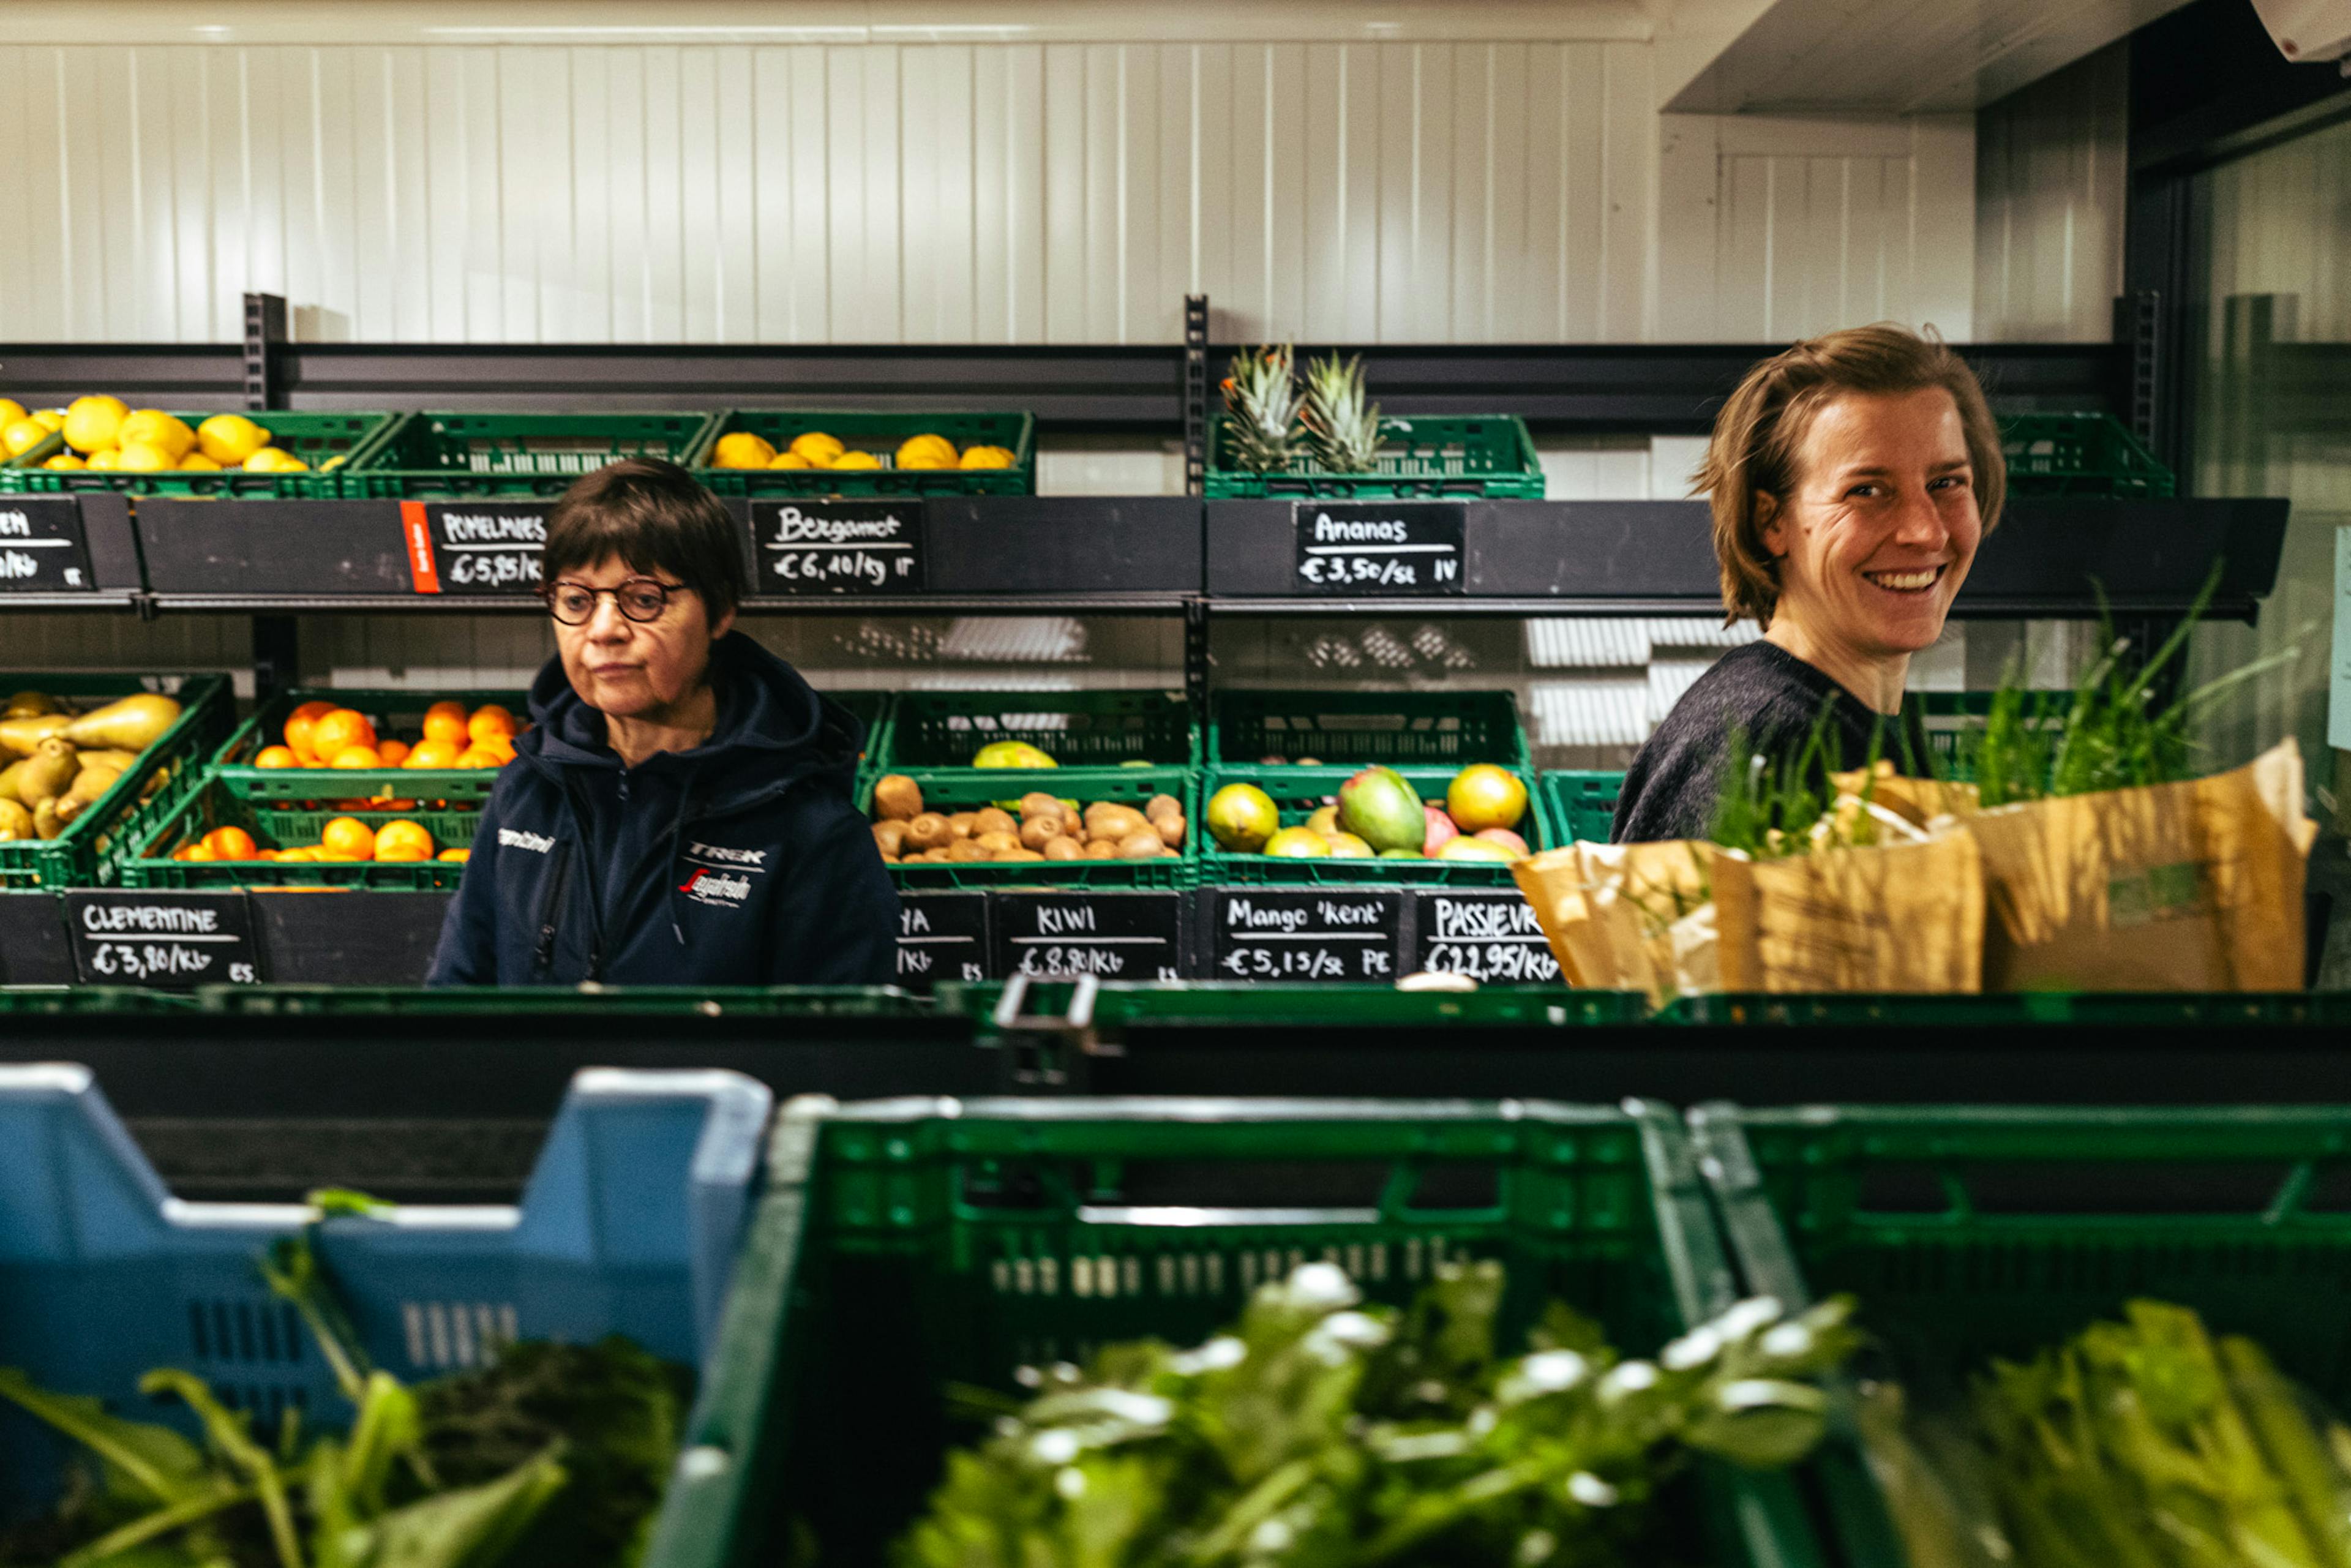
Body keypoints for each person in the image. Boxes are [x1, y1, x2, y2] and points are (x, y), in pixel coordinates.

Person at [427, 457, 898, 986]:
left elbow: (835, 1055)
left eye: (644, 599)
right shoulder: (527, 791)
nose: (603, 629)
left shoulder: (810, 829)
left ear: (720, 611)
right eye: (577, 600)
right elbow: (458, 997)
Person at [1611, 324, 2007, 842]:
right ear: (1771, 522)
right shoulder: (1766, 745)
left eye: (1946, 483)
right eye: (1867, 490)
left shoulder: (1867, 722)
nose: (1925, 530)